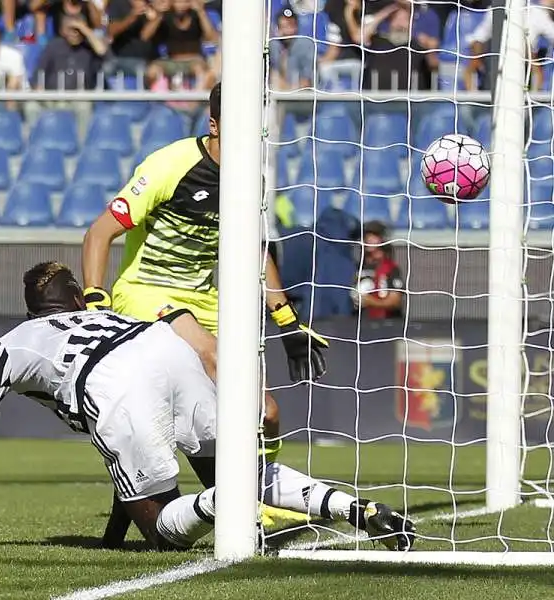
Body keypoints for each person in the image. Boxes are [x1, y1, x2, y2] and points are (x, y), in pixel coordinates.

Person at [0, 261, 416, 553]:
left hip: (112, 379)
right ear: (78, 300)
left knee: (162, 533)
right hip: (163, 345)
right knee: (243, 469)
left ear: (31, 310)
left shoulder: (12, 343)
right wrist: (111, 540)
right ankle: (352, 507)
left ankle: (223, 500)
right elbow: (132, 478)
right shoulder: (104, 315)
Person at [82, 81, 329, 535]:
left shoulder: (248, 176)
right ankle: (248, 506)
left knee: (266, 413)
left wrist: (287, 322)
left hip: (206, 303)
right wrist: (95, 298)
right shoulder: (169, 165)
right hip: (146, 292)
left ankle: (259, 495)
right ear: (213, 124)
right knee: (213, 358)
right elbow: (99, 233)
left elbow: (255, 249)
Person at [350, 220, 404, 320]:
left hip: (385, 325)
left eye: (374, 235)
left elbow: (395, 301)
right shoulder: (357, 268)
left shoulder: (390, 268)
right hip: (357, 324)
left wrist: (371, 301)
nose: (369, 239)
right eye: (367, 235)